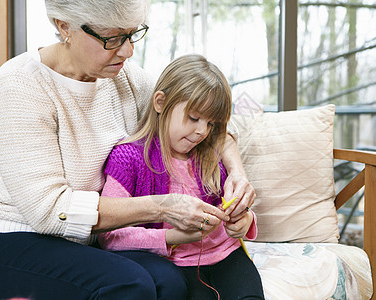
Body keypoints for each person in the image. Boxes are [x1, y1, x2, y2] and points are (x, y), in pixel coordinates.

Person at [0, 1, 256, 299]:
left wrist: (237, 175)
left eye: (131, 35)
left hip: (82, 242)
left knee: (170, 282)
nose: (128, 51)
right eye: (112, 39)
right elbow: (51, 212)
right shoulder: (20, 85)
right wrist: (163, 206)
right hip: (9, 238)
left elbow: (205, 121)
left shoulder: (125, 79)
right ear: (64, 26)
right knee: (129, 283)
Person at [98, 54, 264, 300]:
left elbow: (236, 209)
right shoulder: (128, 158)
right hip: (176, 264)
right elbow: (108, 236)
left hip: (230, 256)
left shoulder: (210, 154)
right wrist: (172, 237)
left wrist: (245, 219)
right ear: (160, 102)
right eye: (194, 118)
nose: (201, 131)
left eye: (210, 123)